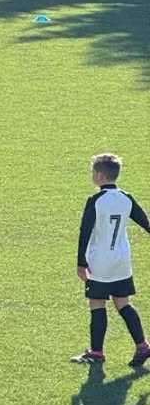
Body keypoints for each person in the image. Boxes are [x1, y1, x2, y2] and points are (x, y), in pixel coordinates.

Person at [71, 153, 150, 367]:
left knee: (97, 303)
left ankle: (96, 352)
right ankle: (142, 345)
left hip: (100, 261)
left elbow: (84, 232)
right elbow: (146, 223)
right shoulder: (126, 198)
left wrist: (81, 263)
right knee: (123, 303)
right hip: (121, 261)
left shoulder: (95, 201)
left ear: (99, 175)